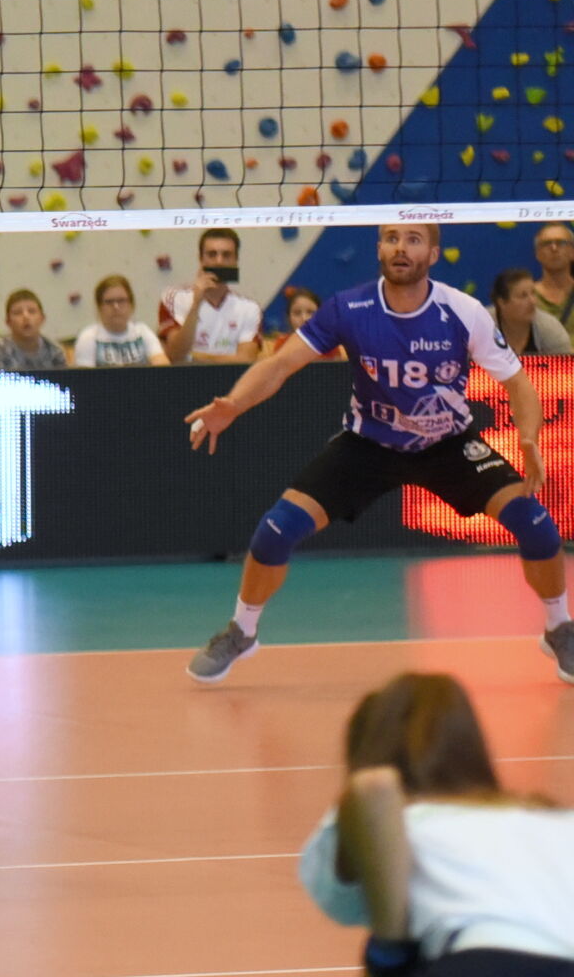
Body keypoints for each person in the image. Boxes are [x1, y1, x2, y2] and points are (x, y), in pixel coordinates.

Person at [183, 223, 570, 686]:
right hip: (368, 444)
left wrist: (528, 438)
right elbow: (280, 364)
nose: (401, 248)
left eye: (413, 240)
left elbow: (518, 383)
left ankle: (559, 627)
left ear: (433, 253)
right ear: (379, 248)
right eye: (391, 238)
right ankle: (242, 631)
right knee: (274, 532)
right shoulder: (349, 308)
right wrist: (233, 404)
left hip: (449, 445)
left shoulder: (462, 312)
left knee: (537, 527)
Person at [300, 673, 574, 977]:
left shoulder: (405, 816)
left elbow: (374, 788)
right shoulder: (550, 819)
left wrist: (389, 956)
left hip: (482, 974)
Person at [159, 228, 264, 364]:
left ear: (236, 260)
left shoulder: (250, 308)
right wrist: (196, 304)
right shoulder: (173, 299)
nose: (219, 261)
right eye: (212, 254)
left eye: (226, 255)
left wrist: (192, 357)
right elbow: (175, 356)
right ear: (201, 259)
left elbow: (245, 360)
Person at [68, 274, 169, 367]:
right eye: (109, 302)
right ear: (99, 307)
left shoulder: (143, 332)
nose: (116, 307)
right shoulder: (88, 337)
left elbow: (162, 367)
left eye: (121, 301)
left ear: (131, 305)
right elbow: (85, 377)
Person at [491, 268, 574, 358]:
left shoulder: (549, 328)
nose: (532, 301)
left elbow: (566, 364)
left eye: (533, 293)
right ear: (502, 302)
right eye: (523, 296)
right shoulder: (484, 323)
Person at [0, 289, 67, 372]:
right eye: (17, 313)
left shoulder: (55, 350)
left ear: (42, 319)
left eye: (32, 311)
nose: (26, 317)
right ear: (8, 322)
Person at [532, 224, 574, 334]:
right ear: (537, 253)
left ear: (572, 251)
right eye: (546, 244)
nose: (554, 248)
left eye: (561, 243)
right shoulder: (526, 297)